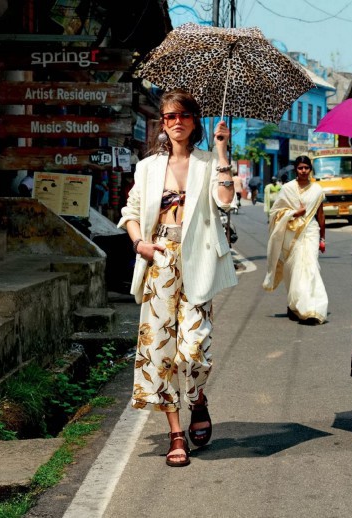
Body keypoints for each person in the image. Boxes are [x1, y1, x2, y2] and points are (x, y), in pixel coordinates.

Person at [117, 89, 238, 468]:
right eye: (170, 116)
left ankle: (197, 397)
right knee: (162, 353)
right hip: (160, 262)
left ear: (195, 121)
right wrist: (140, 244)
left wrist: (222, 152)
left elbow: (224, 200)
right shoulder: (148, 167)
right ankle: (175, 432)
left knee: (195, 348)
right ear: (162, 122)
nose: (177, 122)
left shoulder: (207, 162)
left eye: (184, 115)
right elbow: (131, 211)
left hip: (197, 262)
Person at [263, 155, 327, 325]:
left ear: (310, 169)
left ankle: (311, 309)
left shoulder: (317, 190)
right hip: (291, 233)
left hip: (311, 231)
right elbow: (275, 213)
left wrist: (323, 238)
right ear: (296, 169)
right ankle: (293, 306)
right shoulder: (287, 189)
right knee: (292, 270)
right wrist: (293, 214)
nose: (303, 171)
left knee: (309, 267)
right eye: (300, 168)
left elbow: (320, 215)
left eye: (306, 167)